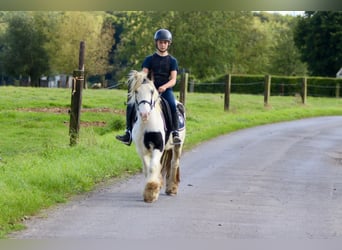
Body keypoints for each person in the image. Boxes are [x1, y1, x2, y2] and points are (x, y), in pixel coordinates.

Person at [116, 28, 181, 146]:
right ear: (156, 43)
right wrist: (139, 78)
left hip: (164, 90)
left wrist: (164, 87)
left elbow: (173, 80)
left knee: (172, 104)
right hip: (149, 90)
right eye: (160, 42)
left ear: (168, 44)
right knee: (131, 104)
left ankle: (175, 133)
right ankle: (128, 132)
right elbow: (144, 75)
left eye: (165, 42)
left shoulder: (172, 61)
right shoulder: (149, 59)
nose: (162, 45)